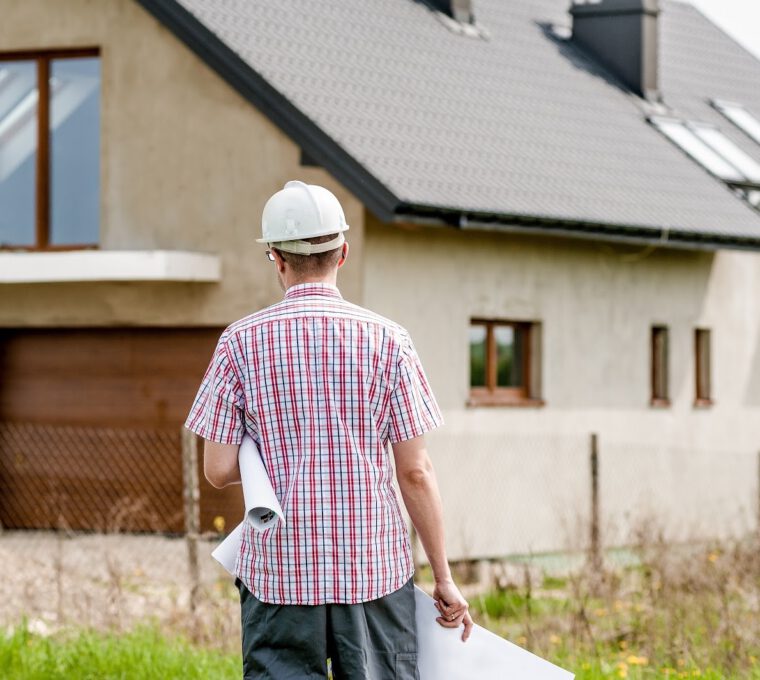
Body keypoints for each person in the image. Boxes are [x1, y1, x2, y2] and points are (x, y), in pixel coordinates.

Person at [185, 180, 472, 679]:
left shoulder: (239, 343)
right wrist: (443, 577)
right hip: (373, 572)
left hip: (279, 576)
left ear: (276, 258)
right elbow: (416, 472)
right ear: (343, 253)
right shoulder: (389, 341)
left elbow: (217, 468)